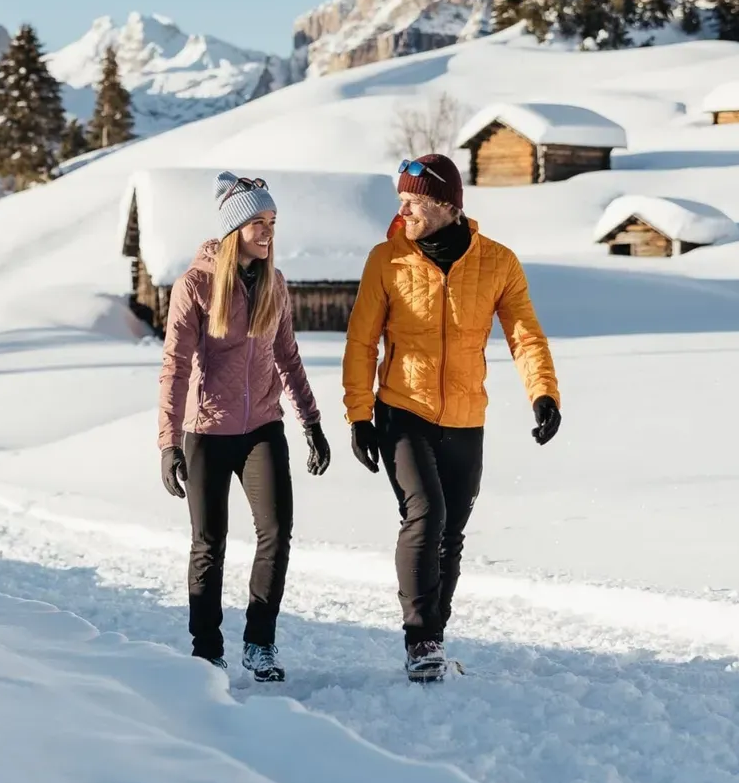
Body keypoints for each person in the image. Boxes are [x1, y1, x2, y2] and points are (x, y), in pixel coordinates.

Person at [342, 153, 561, 682]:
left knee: (452, 533)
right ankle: (420, 641)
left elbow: (524, 333)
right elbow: (362, 339)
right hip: (402, 410)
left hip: (466, 416)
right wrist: (359, 413)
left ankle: (433, 636)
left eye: (412, 202)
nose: (403, 211)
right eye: (401, 201)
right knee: (426, 515)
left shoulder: (498, 262)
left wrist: (544, 394)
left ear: (445, 204)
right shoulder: (386, 260)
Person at [158, 171, 331, 682]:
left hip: (262, 428)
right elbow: (175, 366)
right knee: (209, 542)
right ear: (235, 228)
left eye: (272, 222)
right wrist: (169, 442)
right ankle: (207, 650)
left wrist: (312, 422)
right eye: (258, 222)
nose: (267, 231)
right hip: (207, 430)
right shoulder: (197, 285)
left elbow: (288, 357)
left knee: (276, 532)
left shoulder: (275, 283)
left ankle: (259, 643)